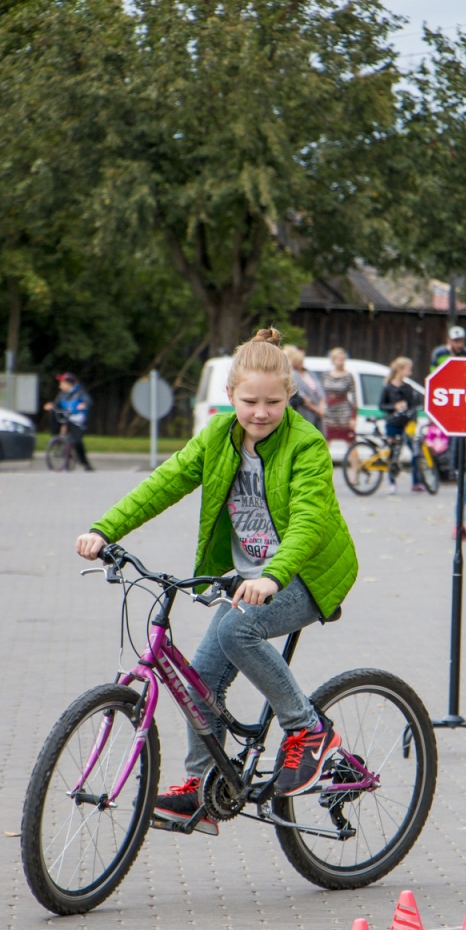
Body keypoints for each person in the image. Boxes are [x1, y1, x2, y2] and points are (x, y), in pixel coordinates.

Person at [75, 329, 358, 827]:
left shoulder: (307, 444)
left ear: (290, 396)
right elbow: (164, 482)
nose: (261, 412)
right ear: (231, 396)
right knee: (199, 680)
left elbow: (311, 520)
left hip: (306, 574)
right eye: (250, 401)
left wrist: (273, 576)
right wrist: (105, 528)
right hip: (251, 578)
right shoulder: (217, 437)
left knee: (234, 629)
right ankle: (206, 788)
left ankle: (309, 730)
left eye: (274, 402)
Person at [380, 356, 423, 493]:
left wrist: (413, 420)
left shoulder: (408, 388)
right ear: (400, 370)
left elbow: (412, 406)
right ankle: (392, 482)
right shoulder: (388, 387)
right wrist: (394, 406)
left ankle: (416, 482)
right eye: (408, 370)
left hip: (406, 424)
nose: (410, 373)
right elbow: (381, 405)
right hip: (392, 423)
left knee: (415, 451)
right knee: (393, 454)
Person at [44, 372, 94, 470]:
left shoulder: (80, 392)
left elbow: (88, 400)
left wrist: (83, 405)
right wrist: (51, 406)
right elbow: (56, 404)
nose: (60, 386)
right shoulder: (62, 394)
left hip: (78, 420)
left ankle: (84, 462)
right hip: (66, 417)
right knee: (54, 414)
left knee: (77, 441)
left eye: (62, 383)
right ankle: (56, 438)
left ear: (69, 384)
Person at [284, 345, 326, 435]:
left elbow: (320, 392)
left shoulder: (310, 373)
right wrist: (315, 408)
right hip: (300, 412)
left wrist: (320, 408)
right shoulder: (291, 375)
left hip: (312, 413)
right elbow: (300, 396)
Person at [321, 347, 356, 444]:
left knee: (350, 441)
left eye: (343, 359)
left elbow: (354, 399)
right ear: (333, 360)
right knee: (325, 442)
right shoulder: (325, 375)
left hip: (344, 413)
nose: (341, 362)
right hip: (329, 413)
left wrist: (353, 418)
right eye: (339, 359)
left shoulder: (348, 376)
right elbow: (321, 394)